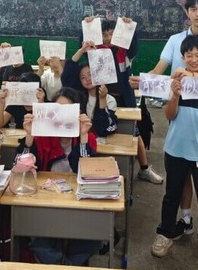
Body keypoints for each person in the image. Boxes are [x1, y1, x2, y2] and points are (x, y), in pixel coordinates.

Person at [135, 0, 198, 229]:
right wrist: (144, 81)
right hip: (177, 107)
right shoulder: (175, 39)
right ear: (187, 12)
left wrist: (186, 75)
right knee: (181, 170)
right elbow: (159, 69)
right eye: (193, 9)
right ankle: (185, 217)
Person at [150, 35, 198, 270]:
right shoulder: (178, 82)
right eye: (189, 55)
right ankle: (165, 234)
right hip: (175, 148)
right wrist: (174, 94)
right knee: (171, 195)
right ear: (183, 57)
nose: (194, 59)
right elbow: (169, 116)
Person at [16, 87, 101, 265]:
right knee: (40, 242)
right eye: (57, 110)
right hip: (45, 203)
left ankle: (68, 264)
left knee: (92, 239)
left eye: (68, 110)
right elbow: (22, 169)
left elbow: (88, 173)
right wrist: (29, 135)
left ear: (78, 113)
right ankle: (58, 264)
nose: (62, 116)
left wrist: (83, 137)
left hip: (79, 204)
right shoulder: (42, 137)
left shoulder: (87, 137)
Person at [62, 42, 162, 183]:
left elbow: (103, 129)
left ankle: (142, 169)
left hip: (97, 140)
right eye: (83, 77)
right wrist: (81, 50)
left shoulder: (109, 99)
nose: (87, 79)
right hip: (81, 142)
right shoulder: (79, 96)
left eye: (90, 75)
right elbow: (67, 75)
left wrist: (102, 100)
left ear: (98, 74)